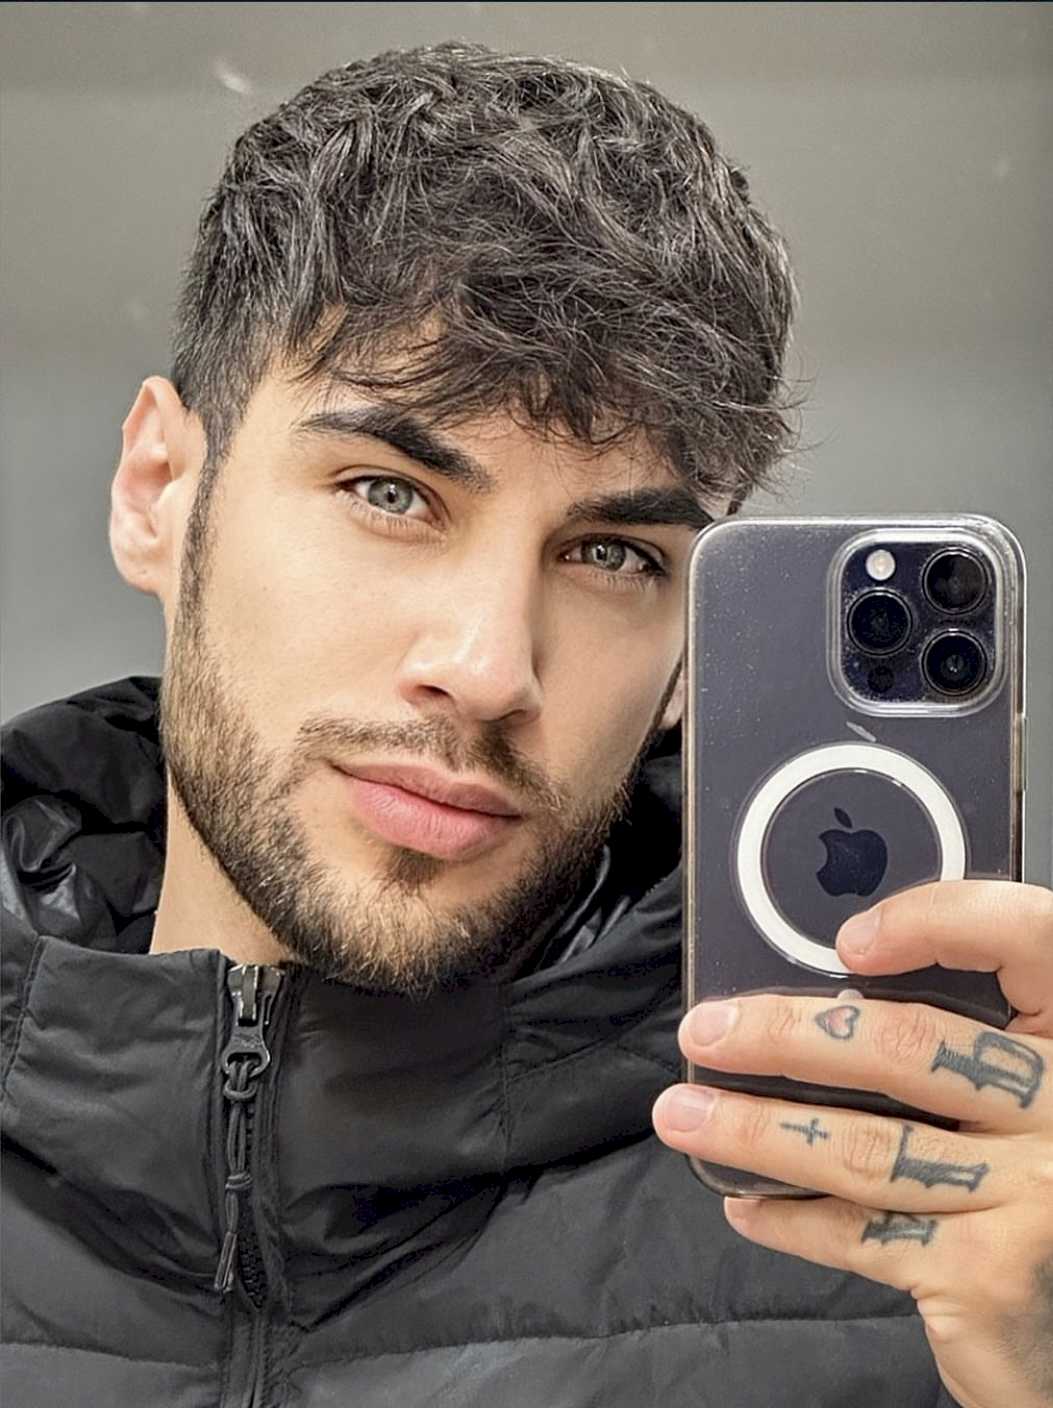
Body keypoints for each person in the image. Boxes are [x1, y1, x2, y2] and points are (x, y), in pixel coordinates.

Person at [2, 41, 1050, 1408]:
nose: (491, 669)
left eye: (612, 555)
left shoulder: (934, 1256)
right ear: (158, 490)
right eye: (388, 493)